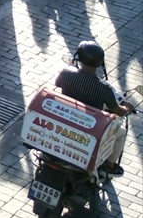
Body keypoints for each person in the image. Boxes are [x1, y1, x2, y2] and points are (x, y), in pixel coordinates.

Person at [53, 41, 134, 176]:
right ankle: (110, 166)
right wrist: (127, 108)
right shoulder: (104, 88)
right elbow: (118, 111)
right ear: (100, 63)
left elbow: (57, 83)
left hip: (66, 119)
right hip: (90, 129)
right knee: (122, 132)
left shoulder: (66, 73)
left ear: (78, 57)